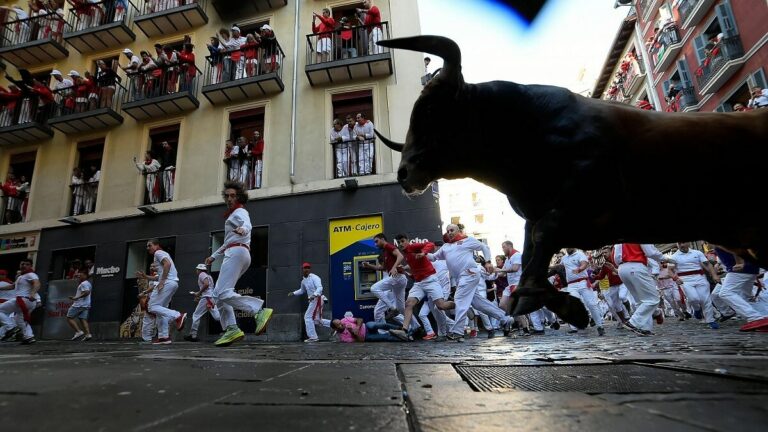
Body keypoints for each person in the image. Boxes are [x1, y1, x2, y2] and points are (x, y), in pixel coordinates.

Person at [205, 181, 273, 347]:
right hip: (238, 251)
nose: (229, 198)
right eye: (227, 195)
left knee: (221, 293)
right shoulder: (232, 215)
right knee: (220, 294)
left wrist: (244, 229)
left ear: (239, 197)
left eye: (233, 195)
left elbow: (247, 223)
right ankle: (231, 328)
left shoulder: (240, 212)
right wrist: (213, 256)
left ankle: (258, 311)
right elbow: (228, 241)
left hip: (236, 253)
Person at [427, 224, 511, 342]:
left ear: (458, 231)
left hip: (469, 274)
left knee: (460, 299)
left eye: (452, 230)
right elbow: (434, 257)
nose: (450, 232)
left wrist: (487, 262)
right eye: (448, 231)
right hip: (461, 278)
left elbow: (484, 247)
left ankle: (458, 332)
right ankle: (505, 319)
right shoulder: (446, 246)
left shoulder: (467, 240)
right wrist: (422, 254)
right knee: (478, 304)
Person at [390, 234, 455, 341]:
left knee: (441, 306)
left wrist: (423, 252)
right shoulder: (406, 254)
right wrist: (403, 269)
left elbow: (430, 244)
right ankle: (404, 331)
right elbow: (413, 266)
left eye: (402, 241)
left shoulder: (412, 247)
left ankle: (460, 304)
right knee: (409, 304)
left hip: (430, 280)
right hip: (419, 283)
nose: (401, 244)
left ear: (407, 241)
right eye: (399, 242)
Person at [136, 239, 186, 344]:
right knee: (160, 310)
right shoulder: (161, 254)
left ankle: (178, 316)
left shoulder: (158, 253)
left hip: (167, 282)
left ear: (156, 245)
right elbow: (158, 277)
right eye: (147, 246)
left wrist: (162, 281)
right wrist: (146, 276)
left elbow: (167, 264)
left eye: (149, 245)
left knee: (152, 306)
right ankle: (164, 337)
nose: (148, 248)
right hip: (172, 283)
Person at [712, 246, 768, 332]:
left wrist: (739, 262)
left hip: (740, 269)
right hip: (750, 268)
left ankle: (755, 318)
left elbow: (735, 246)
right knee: (746, 296)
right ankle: (763, 319)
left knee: (725, 293)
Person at [672, 242, 720, 327]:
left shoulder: (697, 253)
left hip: (700, 277)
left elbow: (707, 264)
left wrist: (714, 275)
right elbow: (670, 270)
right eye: (679, 243)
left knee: (705, 299)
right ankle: (697, 309)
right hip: (685, 280)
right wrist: (675, 278)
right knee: (693, 298)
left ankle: (710, 320)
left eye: (683, 243)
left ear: (689, 243)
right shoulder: (674, 256)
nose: (682, 245)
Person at [561, 248, 605, 336]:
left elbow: (584, 264)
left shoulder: (580, 254)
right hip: (571, 285)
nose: (567, 248)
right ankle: (575, 326)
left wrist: (579, 269)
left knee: (592, 304)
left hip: (583, 282)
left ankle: (600, 326)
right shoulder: (564, 258)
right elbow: (560, 266)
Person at [363, 233, 406, 321]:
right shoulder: (385, 251)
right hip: (400, 279)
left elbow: (400, 256)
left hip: (398, 277)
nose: (375, 244)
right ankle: (416, 327)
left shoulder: (388, 246)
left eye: (376, 241)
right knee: (401, 309)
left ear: (382, 239)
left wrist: (394, 267)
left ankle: (392, 309)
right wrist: (369, 266)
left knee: (374, 288)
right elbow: (382, 268)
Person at [0, 259, 41, 344]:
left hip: (24, 300)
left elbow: (37, 283)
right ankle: (29, 337)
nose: (24, 265)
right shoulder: (21, 277)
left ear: (30, 266)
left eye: (27, 264)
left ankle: (10, 327)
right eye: (22, 264)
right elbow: (12, 286)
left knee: (0, 310)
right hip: (25, 301)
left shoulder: (31, 274)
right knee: (20, 319)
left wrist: (33, 293)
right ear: (20, 265)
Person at [288, 262, 324, 342]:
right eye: (305, 268)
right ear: (302, 269)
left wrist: (313, 295)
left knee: (307, 317)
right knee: (317, 320)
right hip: (312, 300)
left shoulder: (315, 277)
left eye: (308, 268)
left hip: (317, 299)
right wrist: (293, 293)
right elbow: (302, 290)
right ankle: (335, 325)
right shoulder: (303, 281)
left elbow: (320, 288)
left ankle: (313, 337)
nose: (307, 269)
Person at [185, 264, 221, 342]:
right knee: (217, 316)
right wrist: (199, 294)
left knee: (196, 315)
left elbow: (206, 284)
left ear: (199, 270)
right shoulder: (209, 276)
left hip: (207, 298)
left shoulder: (202, 274)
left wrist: (198, 293)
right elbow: (208, 288)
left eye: (197, 269)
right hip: (210, 298)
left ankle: (193, 335)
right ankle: (230, 323)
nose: (196, 271)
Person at [330, 315, 408, 342]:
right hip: (366, 336)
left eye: (340, 322)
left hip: (366, 326)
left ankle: (401, 329)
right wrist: (352, 332)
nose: (342, 324)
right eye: (339, 325)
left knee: (374, 325)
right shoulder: (343, 338)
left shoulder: (345, 320)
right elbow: (361, 341)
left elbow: (360, 319)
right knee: (385, 337)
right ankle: (406, 337)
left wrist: (357, 327)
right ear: (336, 329)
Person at [66, 270, 93, 341]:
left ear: (85, 275)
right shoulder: (88, 283)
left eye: (80, 275)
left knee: (69, 317)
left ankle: (78, 331)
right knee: (82, 319)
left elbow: (86, 292)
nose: (79, 276)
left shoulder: (84, 284)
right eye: (78, 275)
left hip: (79, 304)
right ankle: (88, 334)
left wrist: (76, 297)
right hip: (86, 305)